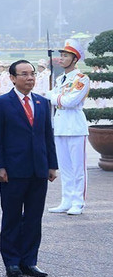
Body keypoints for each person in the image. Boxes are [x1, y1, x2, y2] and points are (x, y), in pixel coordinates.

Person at [0, 60, 57, 277]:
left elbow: (47, 135)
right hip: (13, 171)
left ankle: (29, 261)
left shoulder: (42, 102)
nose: (30, 78)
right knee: (12, 218)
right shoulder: (1, 103)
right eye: (24, 74)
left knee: (33, 218)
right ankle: (12, 262)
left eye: (32, 74)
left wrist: (52, 165)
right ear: (12, 78)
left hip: (38, 169)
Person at [45, 39, 91, 215]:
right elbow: (57, 98)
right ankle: (66, 200)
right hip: (60, 126)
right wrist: (56, 97)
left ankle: (78, 202)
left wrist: (53, 97)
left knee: (78, 168)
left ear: (75, 59)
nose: (61, 58)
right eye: (61, 55)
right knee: (65, 168)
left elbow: (71, 101)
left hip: (75, 127)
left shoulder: (81, 79)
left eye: (65, 56)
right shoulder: (59, 79)